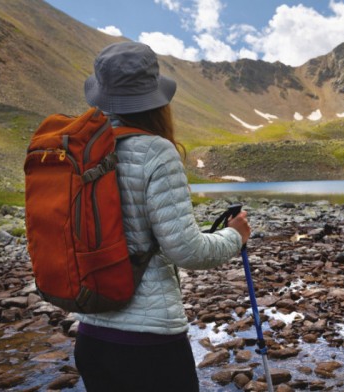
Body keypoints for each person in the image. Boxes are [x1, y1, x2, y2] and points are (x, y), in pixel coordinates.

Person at [72, 41, 250, 391]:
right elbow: (186, 250)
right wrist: (235, 236)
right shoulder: (156, 150)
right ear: (156, 101)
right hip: (149, 345)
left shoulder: (83, 148)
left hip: (91, 335)